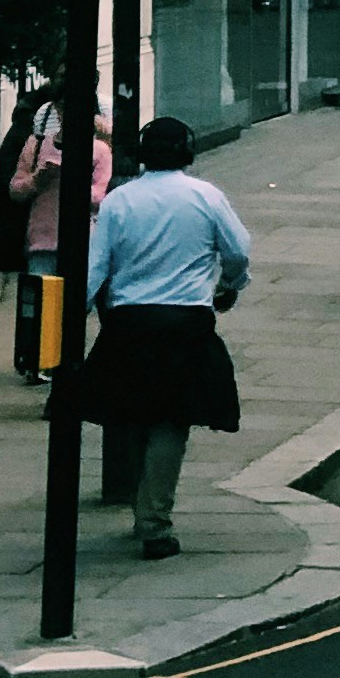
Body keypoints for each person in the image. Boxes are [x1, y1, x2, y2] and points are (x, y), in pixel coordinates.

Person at [75, 118, 248, 561]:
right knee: (171, 420)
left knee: (132, 413)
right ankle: (153, 523)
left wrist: (78, 313)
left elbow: (95, 267)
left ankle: (141, 502)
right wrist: (229, 285)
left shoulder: (119, 200)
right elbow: (238, 252)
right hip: (185, 324)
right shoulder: (206, 197)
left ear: (141, 154)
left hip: (129, 323)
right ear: (187, 153)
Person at [10, 89, 104, 386]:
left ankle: (69, 363)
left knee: (75, 306)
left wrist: (73, 183)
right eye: (63, 108)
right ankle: (39, 362)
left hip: (82, 239)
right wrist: (39, 180)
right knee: (39, 304)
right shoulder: (37, 145)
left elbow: (101, 196)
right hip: (42, 235)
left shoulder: (99, 150)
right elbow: (16, 189)